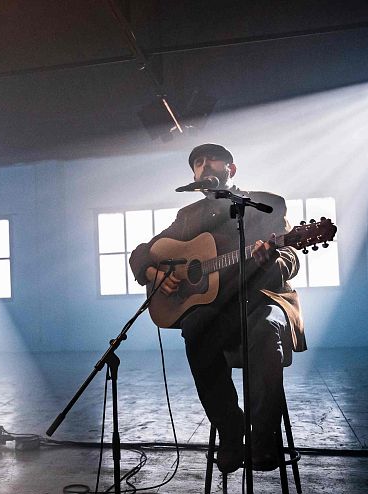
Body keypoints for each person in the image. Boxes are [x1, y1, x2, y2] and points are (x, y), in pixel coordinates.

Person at [129, 144, 306, 473]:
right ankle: (230, 428)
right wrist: (152, 273)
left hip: (264, 301)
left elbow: (290, 258)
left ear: (232, 169)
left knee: (265, 330)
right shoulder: (188, 217)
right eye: (197, 162)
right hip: (220, 310)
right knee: (196, 327)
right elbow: (143, 252)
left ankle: (264, 436)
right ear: (193, 175)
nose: (205, 164)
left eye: (213, 159)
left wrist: (270, 259)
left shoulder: (267, 204)